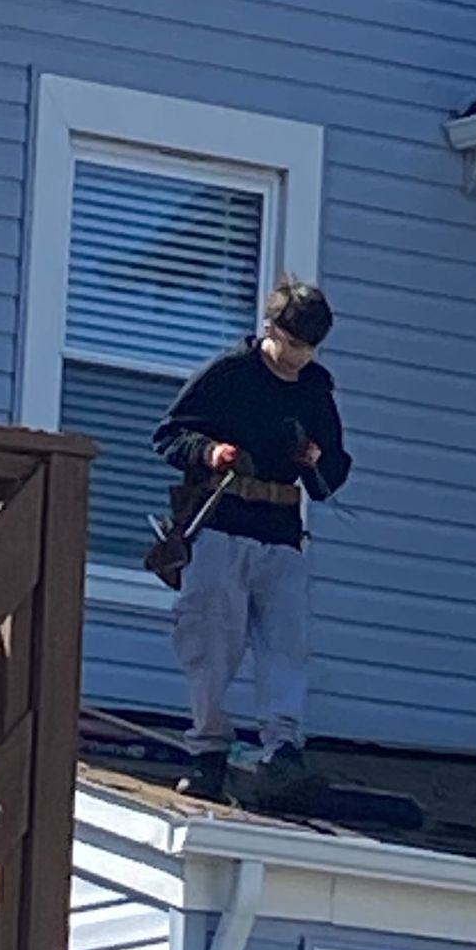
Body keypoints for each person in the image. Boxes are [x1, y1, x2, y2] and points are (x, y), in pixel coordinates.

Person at [152, 281, 352, 802]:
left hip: (282, 531)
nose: (298, 357)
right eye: (292, 343)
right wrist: (212, 451)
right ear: (271, 329)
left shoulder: (315, 391)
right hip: (222, 521)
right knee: (212, 641)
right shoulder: (229, 374)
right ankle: (207, 751)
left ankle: (283, 748)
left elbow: (335, 472)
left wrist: (315, 461)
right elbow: (170, 434)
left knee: (287, 642)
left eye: (309, 348)